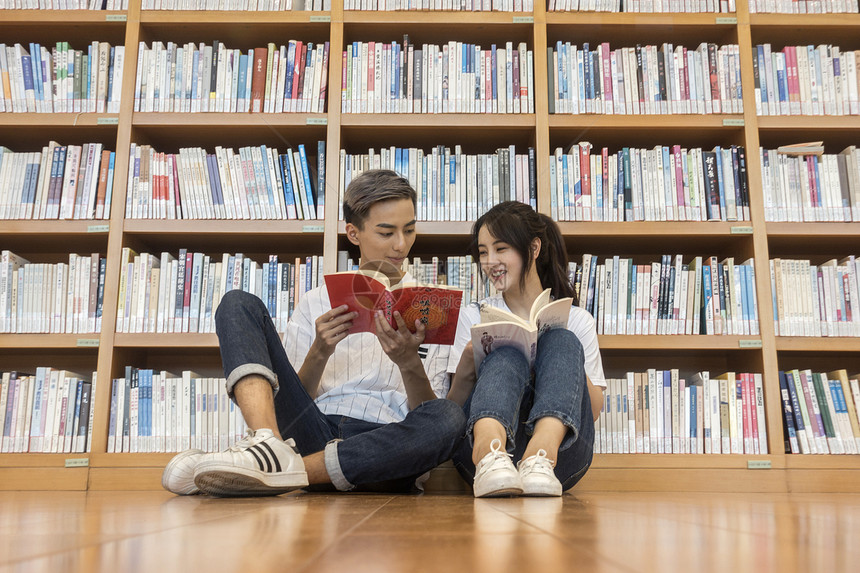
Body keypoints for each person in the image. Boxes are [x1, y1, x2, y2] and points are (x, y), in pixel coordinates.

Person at [162, 169, 466, 496]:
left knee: (449, 417)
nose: (401, 244)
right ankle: (267, 443)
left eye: (409, 230)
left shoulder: (432, 305)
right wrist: (320, 351)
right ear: (353, 233)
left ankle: (275, 470)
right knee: (237, 303)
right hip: (312, 430)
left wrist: (408, 362)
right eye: (386, 232)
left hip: (385, 449)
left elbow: (426, 412)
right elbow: (292, 396)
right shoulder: (315, 301)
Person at [447, 201, 606, 498]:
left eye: (501, 249)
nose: (490, 261)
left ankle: (540, 455)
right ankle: (488, 450)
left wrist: (568, 360)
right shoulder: (473, 315)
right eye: (483, 252)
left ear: (533, 248)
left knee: (562, 340)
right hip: (479, 458)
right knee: (506, 352)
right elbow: (453, 408)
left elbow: (593, 411)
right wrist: (471, 358)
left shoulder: (577, 318)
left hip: (561, 456)